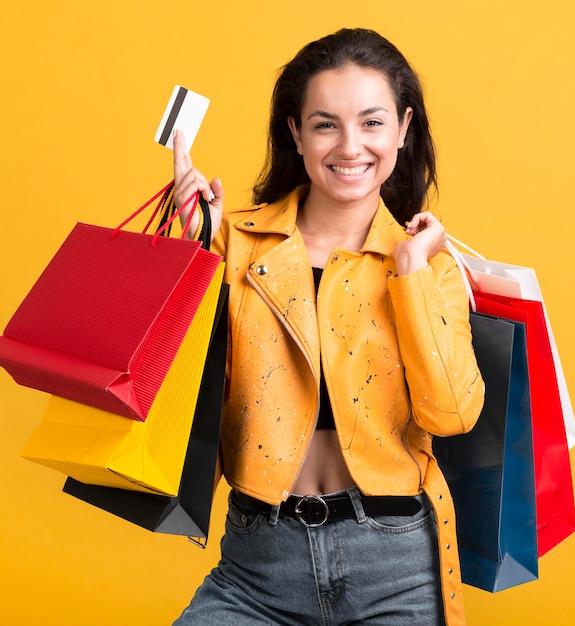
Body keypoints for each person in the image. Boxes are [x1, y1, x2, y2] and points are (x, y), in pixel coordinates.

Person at [171, 27, 484, 626]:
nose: (349, 146)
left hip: (396, 564)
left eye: (371, 122)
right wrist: (188, 250)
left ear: (403, 128)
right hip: (257, 565)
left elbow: (452, 414)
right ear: (295, 133)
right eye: (324, 124)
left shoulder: (431, 266)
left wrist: (411, 274)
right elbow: (176, 384)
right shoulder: (234, 242)